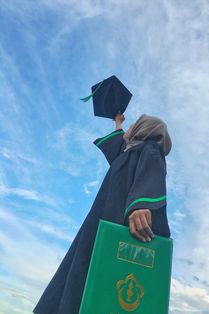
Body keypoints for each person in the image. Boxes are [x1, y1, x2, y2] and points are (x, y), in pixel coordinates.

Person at [33, 113, 172, 314]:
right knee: (82, 272)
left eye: (134, 124)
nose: (130, 126)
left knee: (102, 281)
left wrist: (141, 205)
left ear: (144, 129)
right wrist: (118, 122)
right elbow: (119, 144)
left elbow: (152, 174)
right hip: (101, 221)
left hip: (120, 224)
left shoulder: (149, 150)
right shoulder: (128, 152)